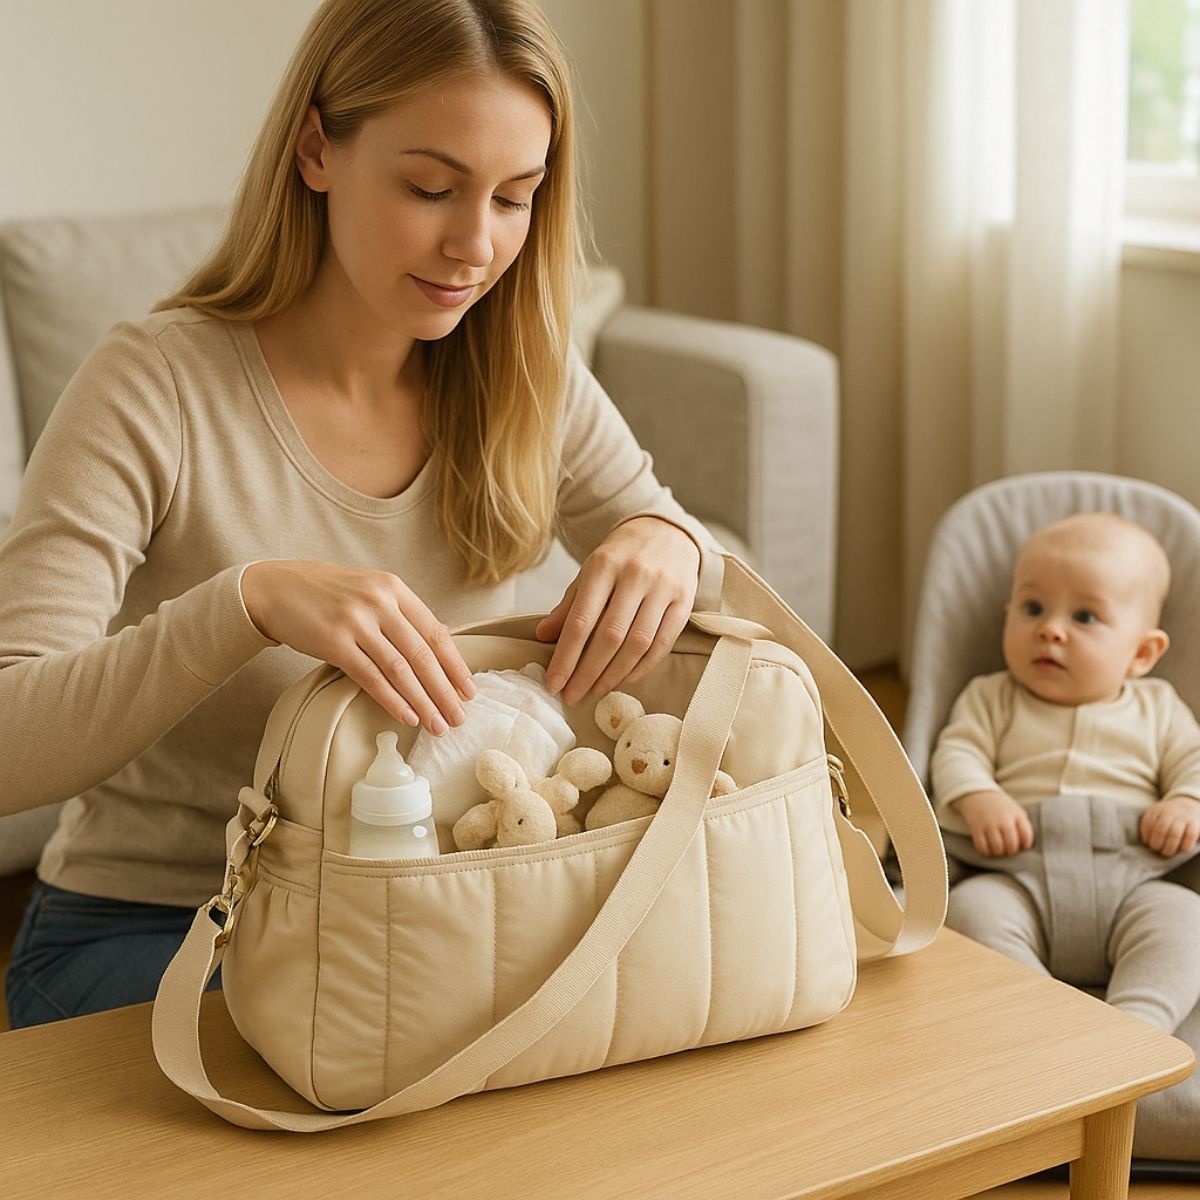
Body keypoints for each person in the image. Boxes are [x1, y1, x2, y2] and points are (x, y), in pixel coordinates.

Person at [0, 0, 723, 1029]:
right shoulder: (152, 385)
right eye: (431, 187)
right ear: (315, 151)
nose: (475, 245)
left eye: (514, 198)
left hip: (425, 922)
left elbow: (674, 546)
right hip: (158, 928)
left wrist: (671, 541)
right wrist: (244, 604)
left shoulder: (521, 370)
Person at [932, 512, 1200, 1034]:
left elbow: (1195, 759)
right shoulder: (992, 697)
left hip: (1136, 876)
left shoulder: (1158, 707)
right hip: (1015, 873)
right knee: (967, 915)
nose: (1050, 629)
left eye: (1085, 617)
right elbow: (956, 751)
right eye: (1032, 609)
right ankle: (1048, 1022)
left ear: (1142, 653)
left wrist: (1187, 801)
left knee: (1186, 922)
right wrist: (979, 795)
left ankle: (1135, 1030)